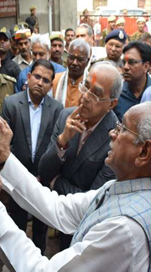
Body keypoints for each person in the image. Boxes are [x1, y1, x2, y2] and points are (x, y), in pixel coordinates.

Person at [0, 100, 151, 271]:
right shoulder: (130, 189)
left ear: (144, 152)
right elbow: (59, 209)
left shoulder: (125, 229)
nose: (112, 133)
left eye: (122, 128)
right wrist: (6, 158)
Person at [40, 62, 121, 250]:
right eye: (85, 87)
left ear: (112, 103)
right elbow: (44, 171)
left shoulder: (116, 138)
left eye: (95, 94)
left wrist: (54, 183)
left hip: (85, 231)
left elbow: (94, 202)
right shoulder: (66, 116)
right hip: (57, 216)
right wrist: (63, 139)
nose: (84, 97)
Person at [1, 59, 63, 254]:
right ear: (28, 77)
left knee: (40, 227)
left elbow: (55, 145)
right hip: (17, 178)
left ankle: (39, 261)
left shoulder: (56, 109)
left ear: (50, 85)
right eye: (37, 77)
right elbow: (5, 144)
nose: (40, 83)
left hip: (42, 179)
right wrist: (20, 176)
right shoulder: (11, 103)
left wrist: (43, 175)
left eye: (46, 80)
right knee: (17, 224)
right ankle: (17, 261)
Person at [114, 41, 151, 121]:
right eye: (124, 62)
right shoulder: (116, 93)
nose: (126, 67)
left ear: (146, 66)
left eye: (132, 62)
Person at [52, 39, 91, 108]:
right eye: (71, 58)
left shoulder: (91, 85)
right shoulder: (55, 80)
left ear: (87, 61)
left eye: (79, 59)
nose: (74, 63)